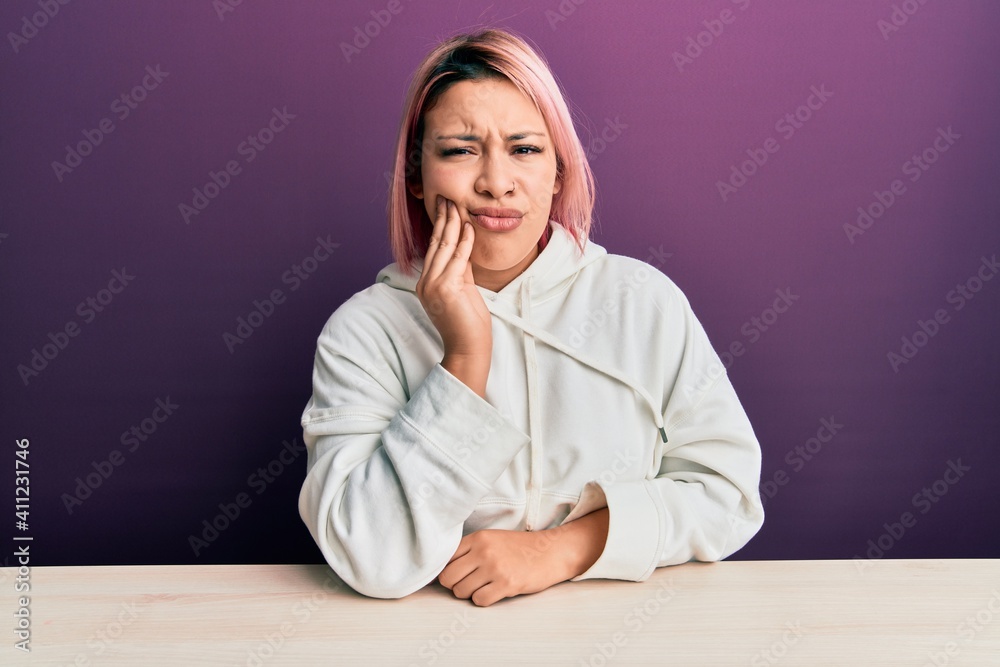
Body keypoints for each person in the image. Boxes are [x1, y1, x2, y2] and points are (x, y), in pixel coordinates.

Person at [298, 28, 764, 607]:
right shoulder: (363, 331)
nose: (496, 184)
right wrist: (465, 359)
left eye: (524, 149)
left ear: (559, 172)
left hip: (627, 628)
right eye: (460, 150)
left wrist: (560, 549)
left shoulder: (643, 301)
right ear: (415, 176)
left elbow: (728, 497)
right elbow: (370, 558)